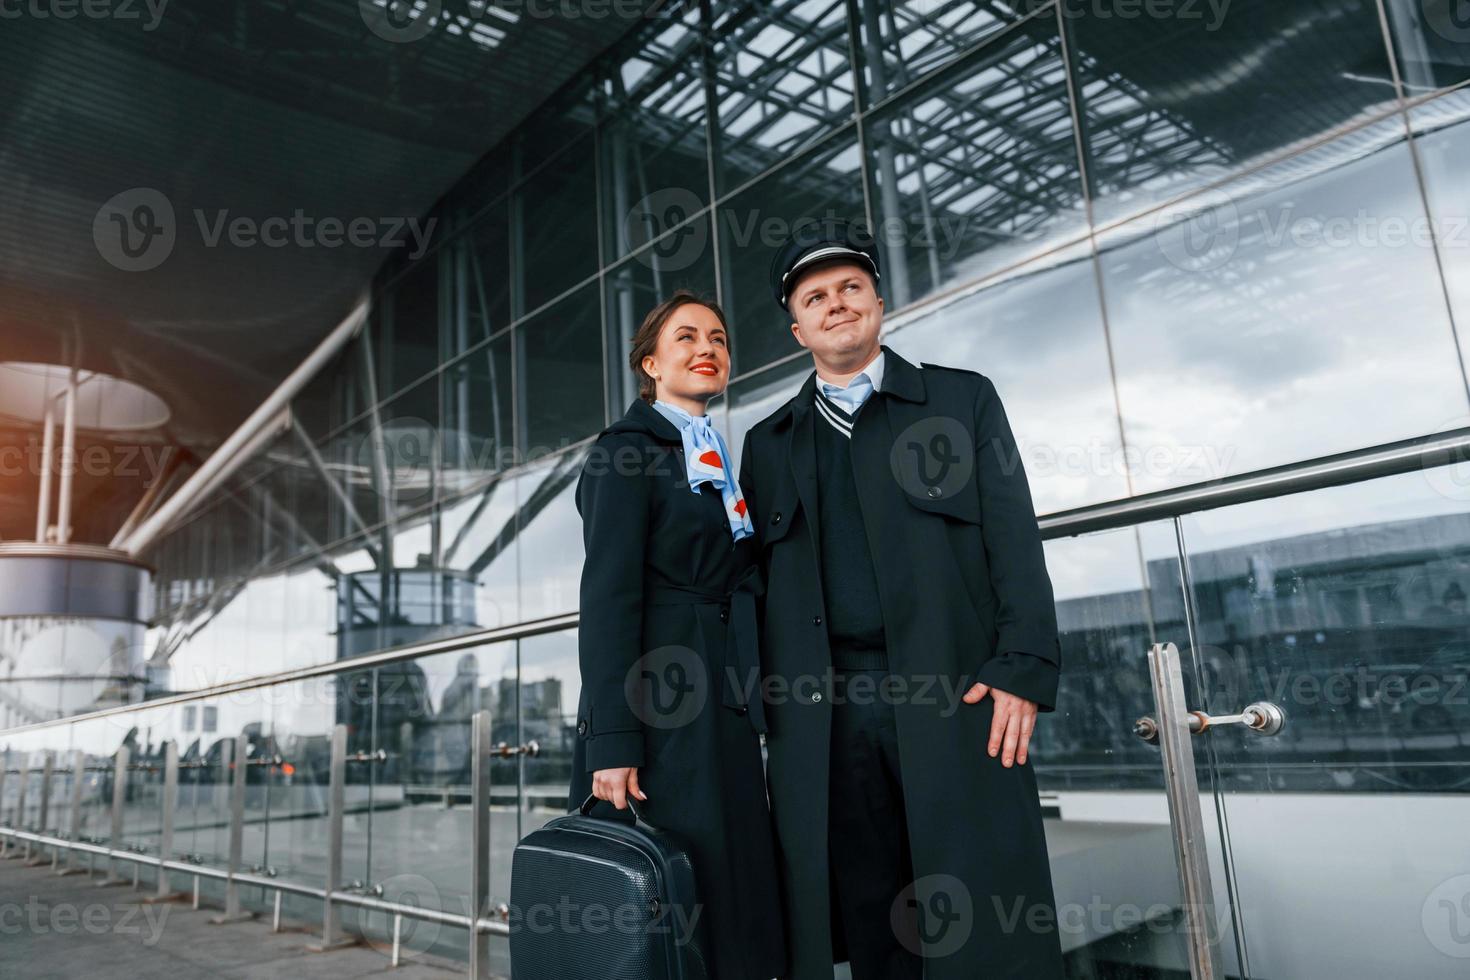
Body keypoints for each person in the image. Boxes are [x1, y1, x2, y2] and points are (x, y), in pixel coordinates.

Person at [737, 220, 1065, 979]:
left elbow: (1014, 539)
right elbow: (745, 588)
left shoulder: (961, 399)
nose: (837, 303)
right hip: (826, 719)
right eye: (816, 297)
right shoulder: (769, 443)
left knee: (979, 909)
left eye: (851, 287)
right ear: (798, 329)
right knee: (872, 910)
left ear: (878, 302)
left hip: (959, 690)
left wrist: (1024, 662)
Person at [569, 289, 786, 980]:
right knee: (669, 893)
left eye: (719, 339)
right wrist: (612, 742)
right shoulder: (625, 453)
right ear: (651, 365)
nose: (708, 349)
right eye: (688, 337)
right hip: (655, 708)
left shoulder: (715, 457)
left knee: (728, 883)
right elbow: (607, 600)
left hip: (719, 701)